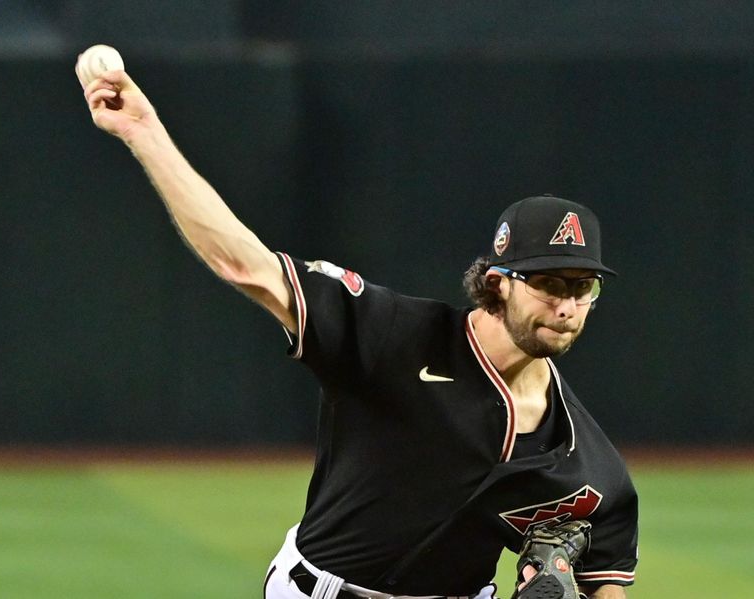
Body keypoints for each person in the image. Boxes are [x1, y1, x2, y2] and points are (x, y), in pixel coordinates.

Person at [78, 67, 638, 599]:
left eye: (582, 286)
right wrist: (142, 130)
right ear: (498, 282)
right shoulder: (395, 337)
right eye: (547, 282)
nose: (566, 304)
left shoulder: (584, 460)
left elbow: (605, 557)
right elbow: (245, 264)